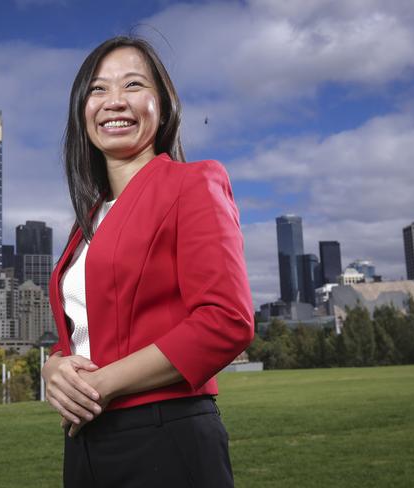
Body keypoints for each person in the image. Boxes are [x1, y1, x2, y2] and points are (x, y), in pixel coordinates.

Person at [41, 35, 254, 488]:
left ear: (162, 104)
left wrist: (99, 385)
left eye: (133, 84)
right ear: (82, 110)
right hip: (85, 444)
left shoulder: (193, 183)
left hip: (165, 435)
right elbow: (98, 328)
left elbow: (226, 320)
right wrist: (55, 366)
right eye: (98, 89)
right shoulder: (89, 218)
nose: (113, 101)